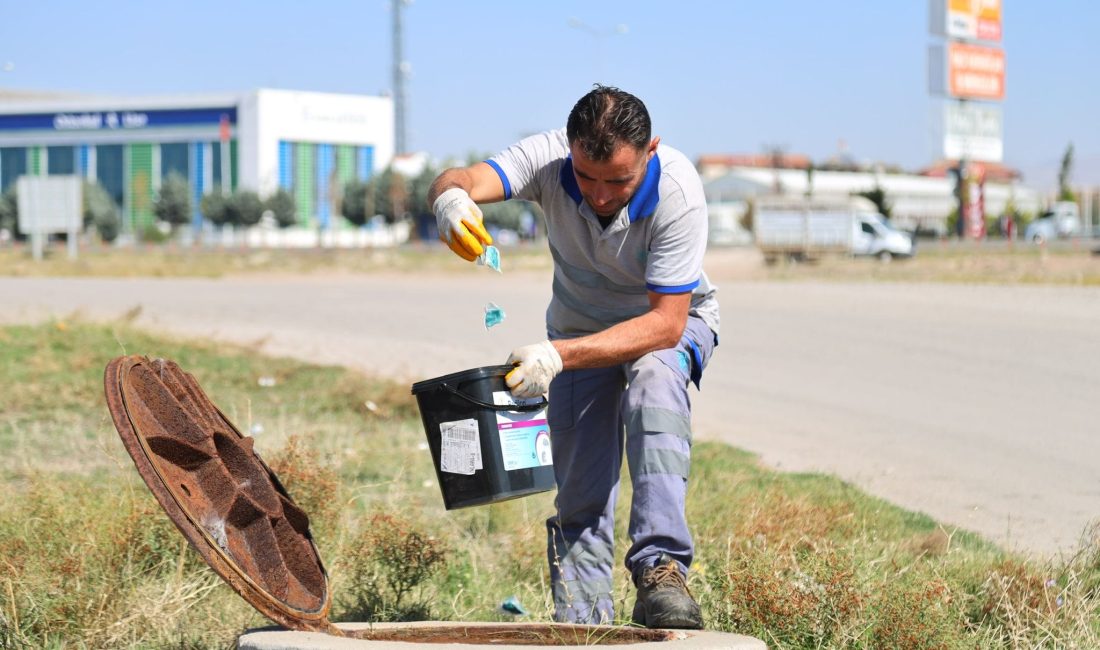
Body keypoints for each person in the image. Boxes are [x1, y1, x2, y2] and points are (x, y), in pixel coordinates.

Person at [427, 85, 719, 629]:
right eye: (587, 178)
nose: (601, 195)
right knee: (581, 488)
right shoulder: (546, 158)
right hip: (576, 336)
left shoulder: (678, 189)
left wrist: (557, 356)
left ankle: (661, 570)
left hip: (666, 329)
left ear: (650, 151)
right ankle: (583, 623)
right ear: (569, 149)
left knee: (654, 379)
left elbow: (665, 323)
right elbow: (461, 177)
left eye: (619, 181)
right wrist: (451, 199)